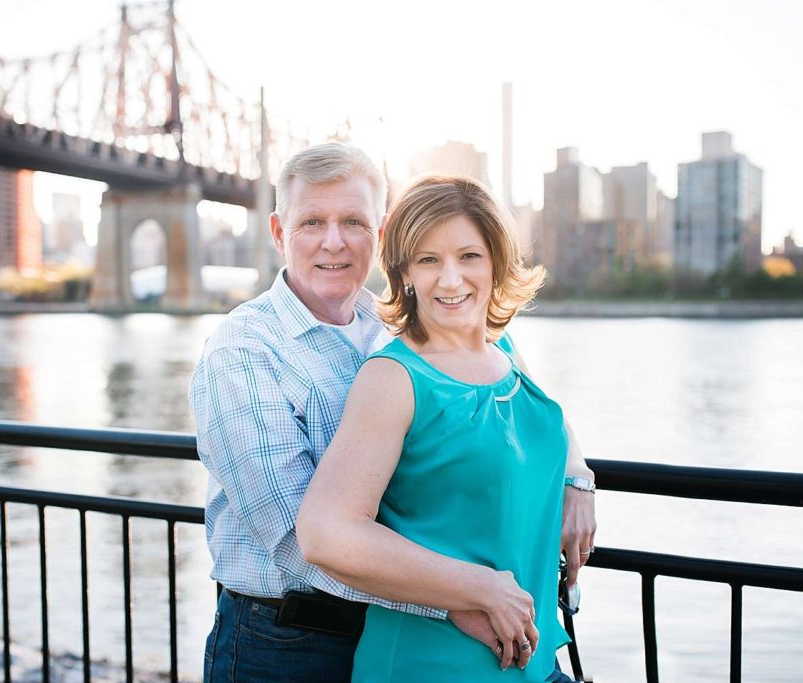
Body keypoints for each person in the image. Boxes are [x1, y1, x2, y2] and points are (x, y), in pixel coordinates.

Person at [190, 144, 595, 682]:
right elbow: (299, 541)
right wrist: (459, 601)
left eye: (352, 222)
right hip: (286, 644)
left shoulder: (401, 327)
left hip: (418, 631)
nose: (333, 242)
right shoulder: (243, 351)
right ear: (278, 232)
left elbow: (529, 407)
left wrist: (577, 477)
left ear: (378, 236)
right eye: (312, 221)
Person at [297, 175, 589, 681]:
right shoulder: (394, 377)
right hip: (433, 663)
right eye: (429, 260)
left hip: (535, 663)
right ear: (405, 273)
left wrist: (577, 475)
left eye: (469, 256)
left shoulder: (501, 349)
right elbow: (325, 533)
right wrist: (481, 588)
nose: (451, 280)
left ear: (496, 260)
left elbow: (545, 422)